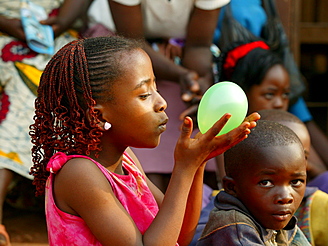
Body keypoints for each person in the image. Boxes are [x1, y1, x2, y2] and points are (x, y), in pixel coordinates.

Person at [29, 36, 260, 245]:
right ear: (98, 116)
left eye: (156, 88)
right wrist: (184, 168)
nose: (162, 103)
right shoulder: (79, 174)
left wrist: (198, 162)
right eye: (144, 95)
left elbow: (179, 235)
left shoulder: (127, 158)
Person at [215, 0, 328, 203]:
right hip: (251, 210)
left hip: (295, 206)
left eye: (285, 95)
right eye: (269, 95)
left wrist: (302, 164)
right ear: (243, 93)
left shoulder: (288, 129)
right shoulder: (231, 134)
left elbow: (317, 173)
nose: (279, 103)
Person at [104, 0, 231, 192]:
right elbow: (130, 42)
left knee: (197, 133)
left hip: (183, 55)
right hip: (127, 54)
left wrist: (196, 85)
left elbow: (198, 46)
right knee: (146, 170)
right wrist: (180, 75)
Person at [0, 1, 91, 245]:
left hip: (56, 34)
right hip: (7, 33)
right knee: (25, 90)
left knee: (61, 82)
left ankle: (68, 206)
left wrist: (63, 19)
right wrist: (4, 22)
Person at [259, 109, 328, 246]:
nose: (290, 167)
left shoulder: (316, 205)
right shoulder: (234, 220)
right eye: (266, 182)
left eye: (300, 158)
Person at [196, 120, 310, 245]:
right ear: (232, 187)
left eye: (295, 181)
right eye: (266, 183)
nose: (286, 197)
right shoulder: (235, 229)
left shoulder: (273, 218)